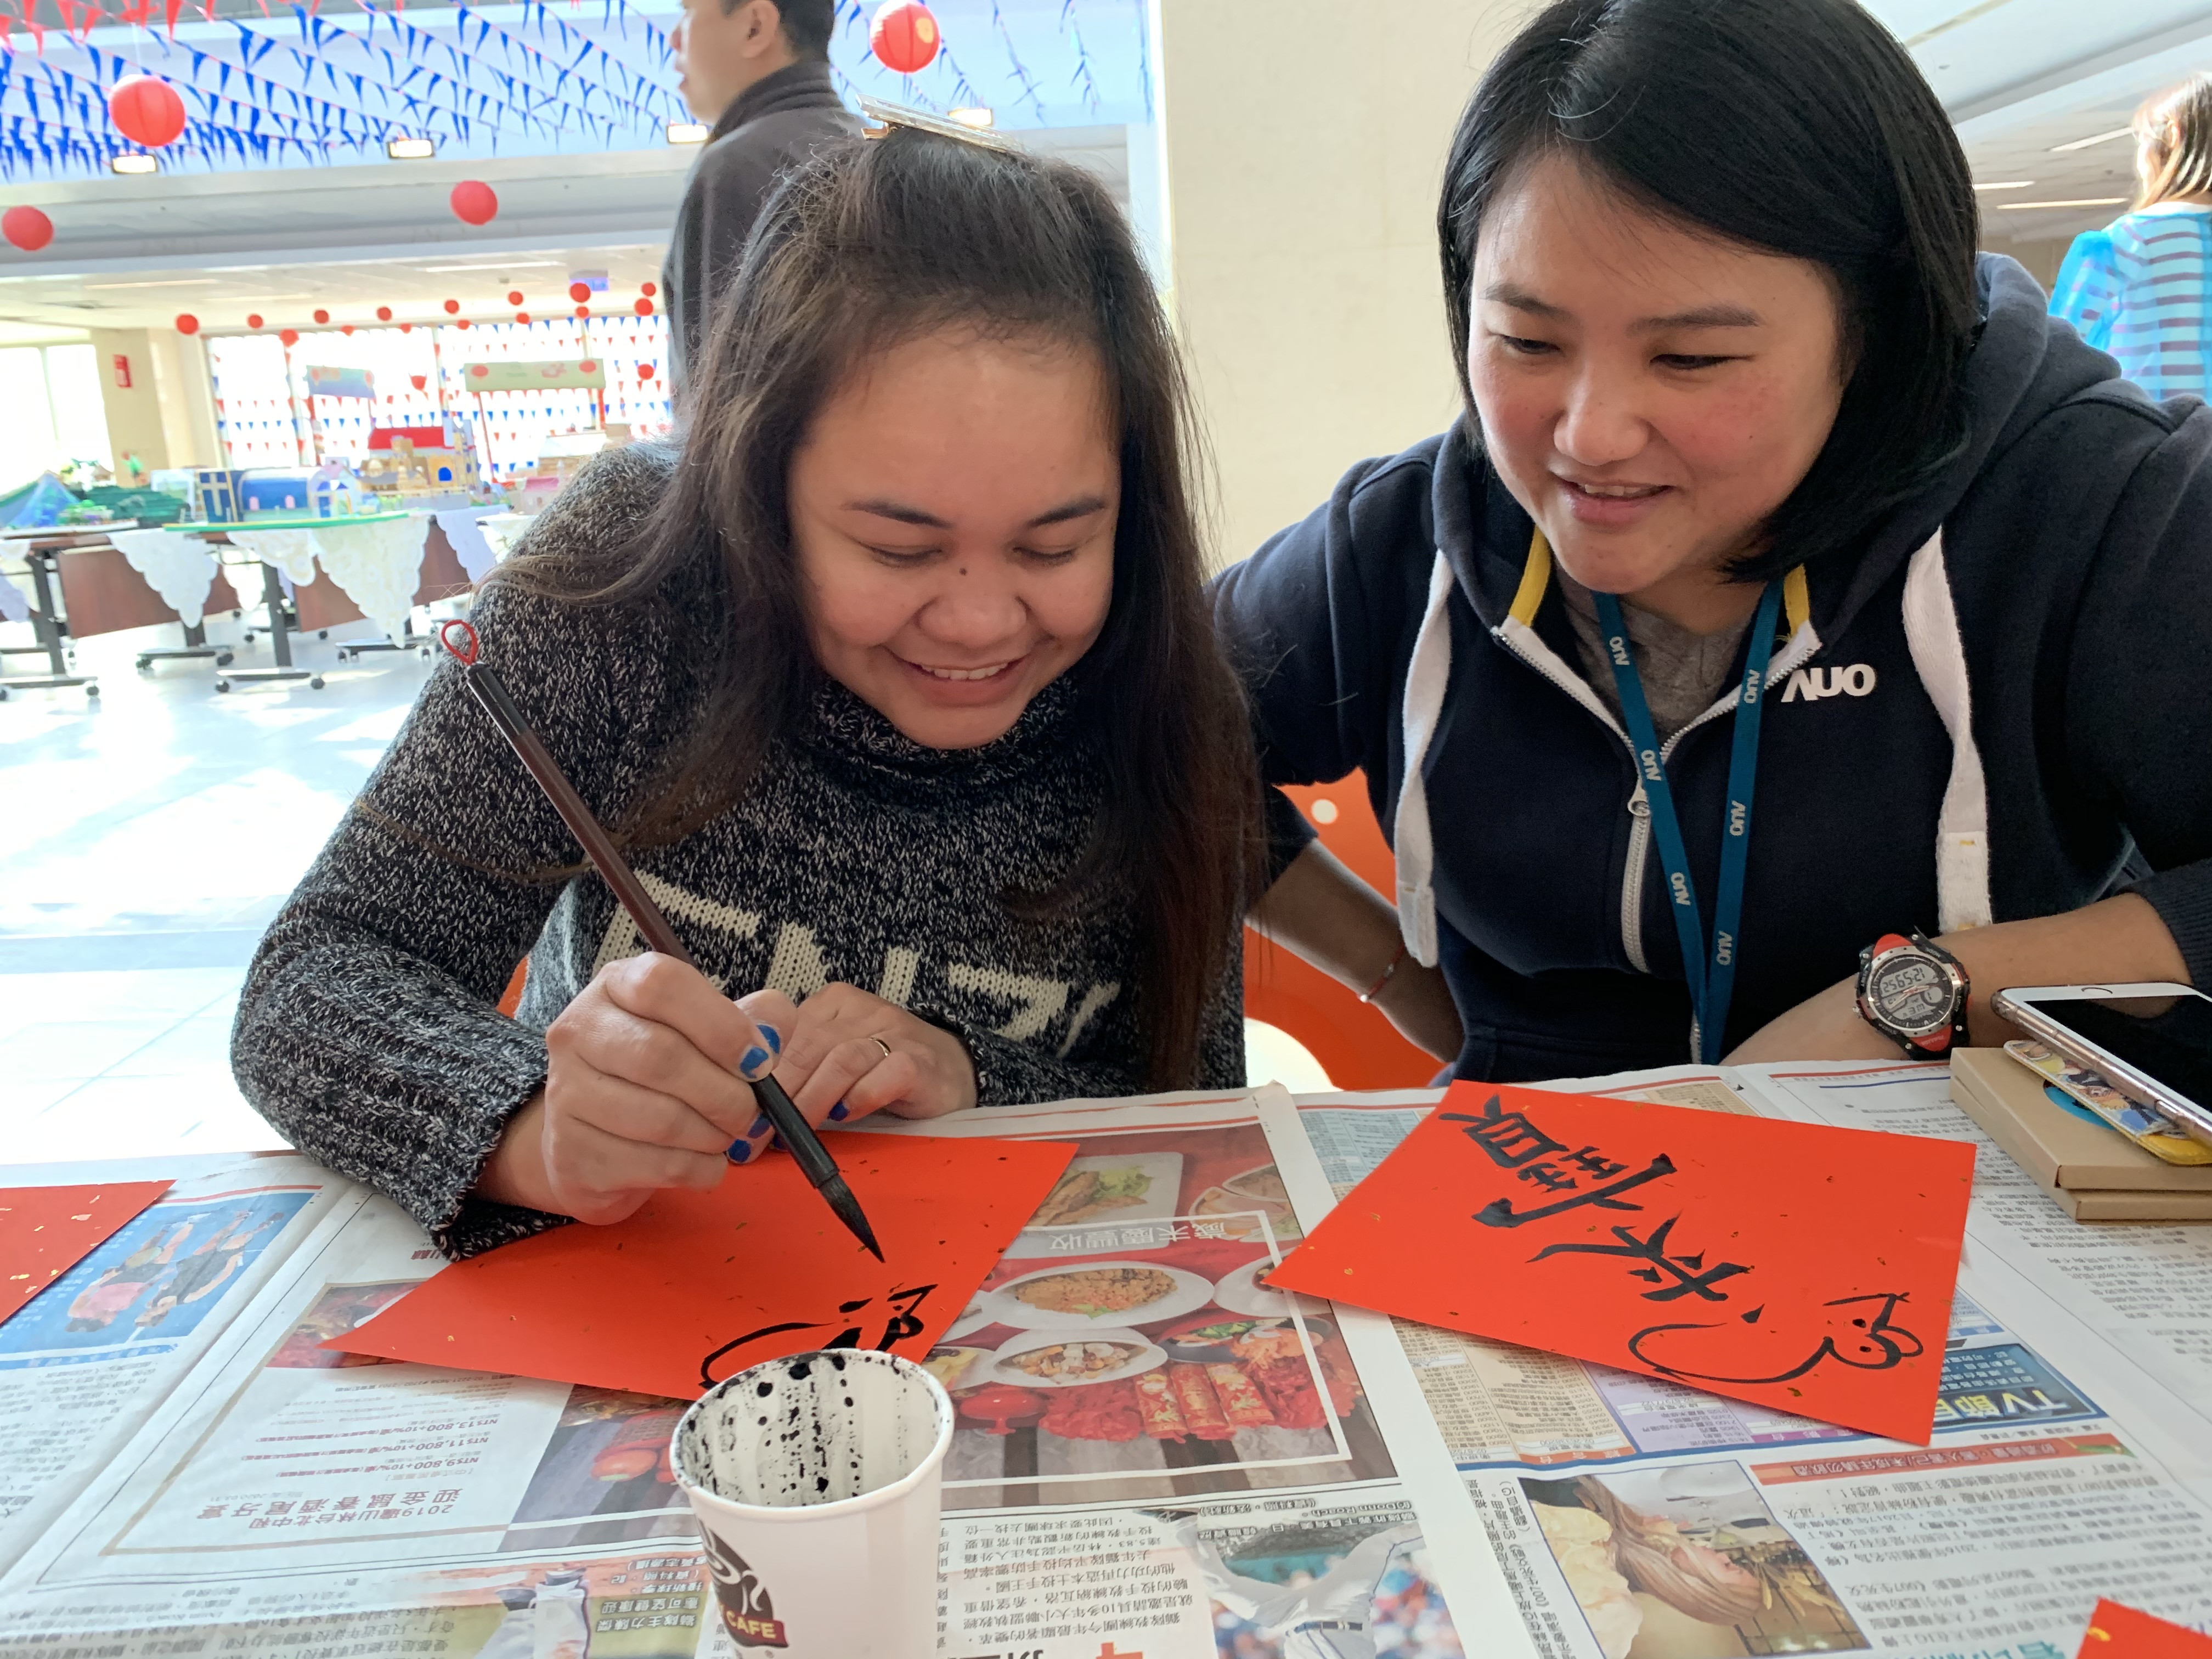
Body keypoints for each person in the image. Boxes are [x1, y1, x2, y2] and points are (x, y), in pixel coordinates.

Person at [232, 126, 1261, 1258]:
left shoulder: (1167, 691)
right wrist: (536, 1127)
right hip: (632, 1285)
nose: (978, 621)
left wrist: (973, 1076)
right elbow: (312, 979)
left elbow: (1193, 1110)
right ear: (759, 488)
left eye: (1054, 546)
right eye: (898, 548)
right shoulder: (625, 583)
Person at [1215, 0, 2211, 1084]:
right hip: (1544, 1157)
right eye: (1527, 340)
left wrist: (1918, 996)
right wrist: (1400, 980)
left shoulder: (2098, 502)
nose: (1590, 436)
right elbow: (1138, 735)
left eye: (1690, 359)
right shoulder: (1404, 539)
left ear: (1875, 330)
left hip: (1964, 1145)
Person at [661, 0, 860, 393]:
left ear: (755, 26)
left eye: (689, 11)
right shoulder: (871, 147)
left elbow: (723, 399)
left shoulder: (737, 167)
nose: (674, 39)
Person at [2051, 75, 2212, 402]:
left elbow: (2056, 355)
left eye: (2142, 141)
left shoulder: (2125, 240)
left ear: (2173, 134)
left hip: (2154, 427)